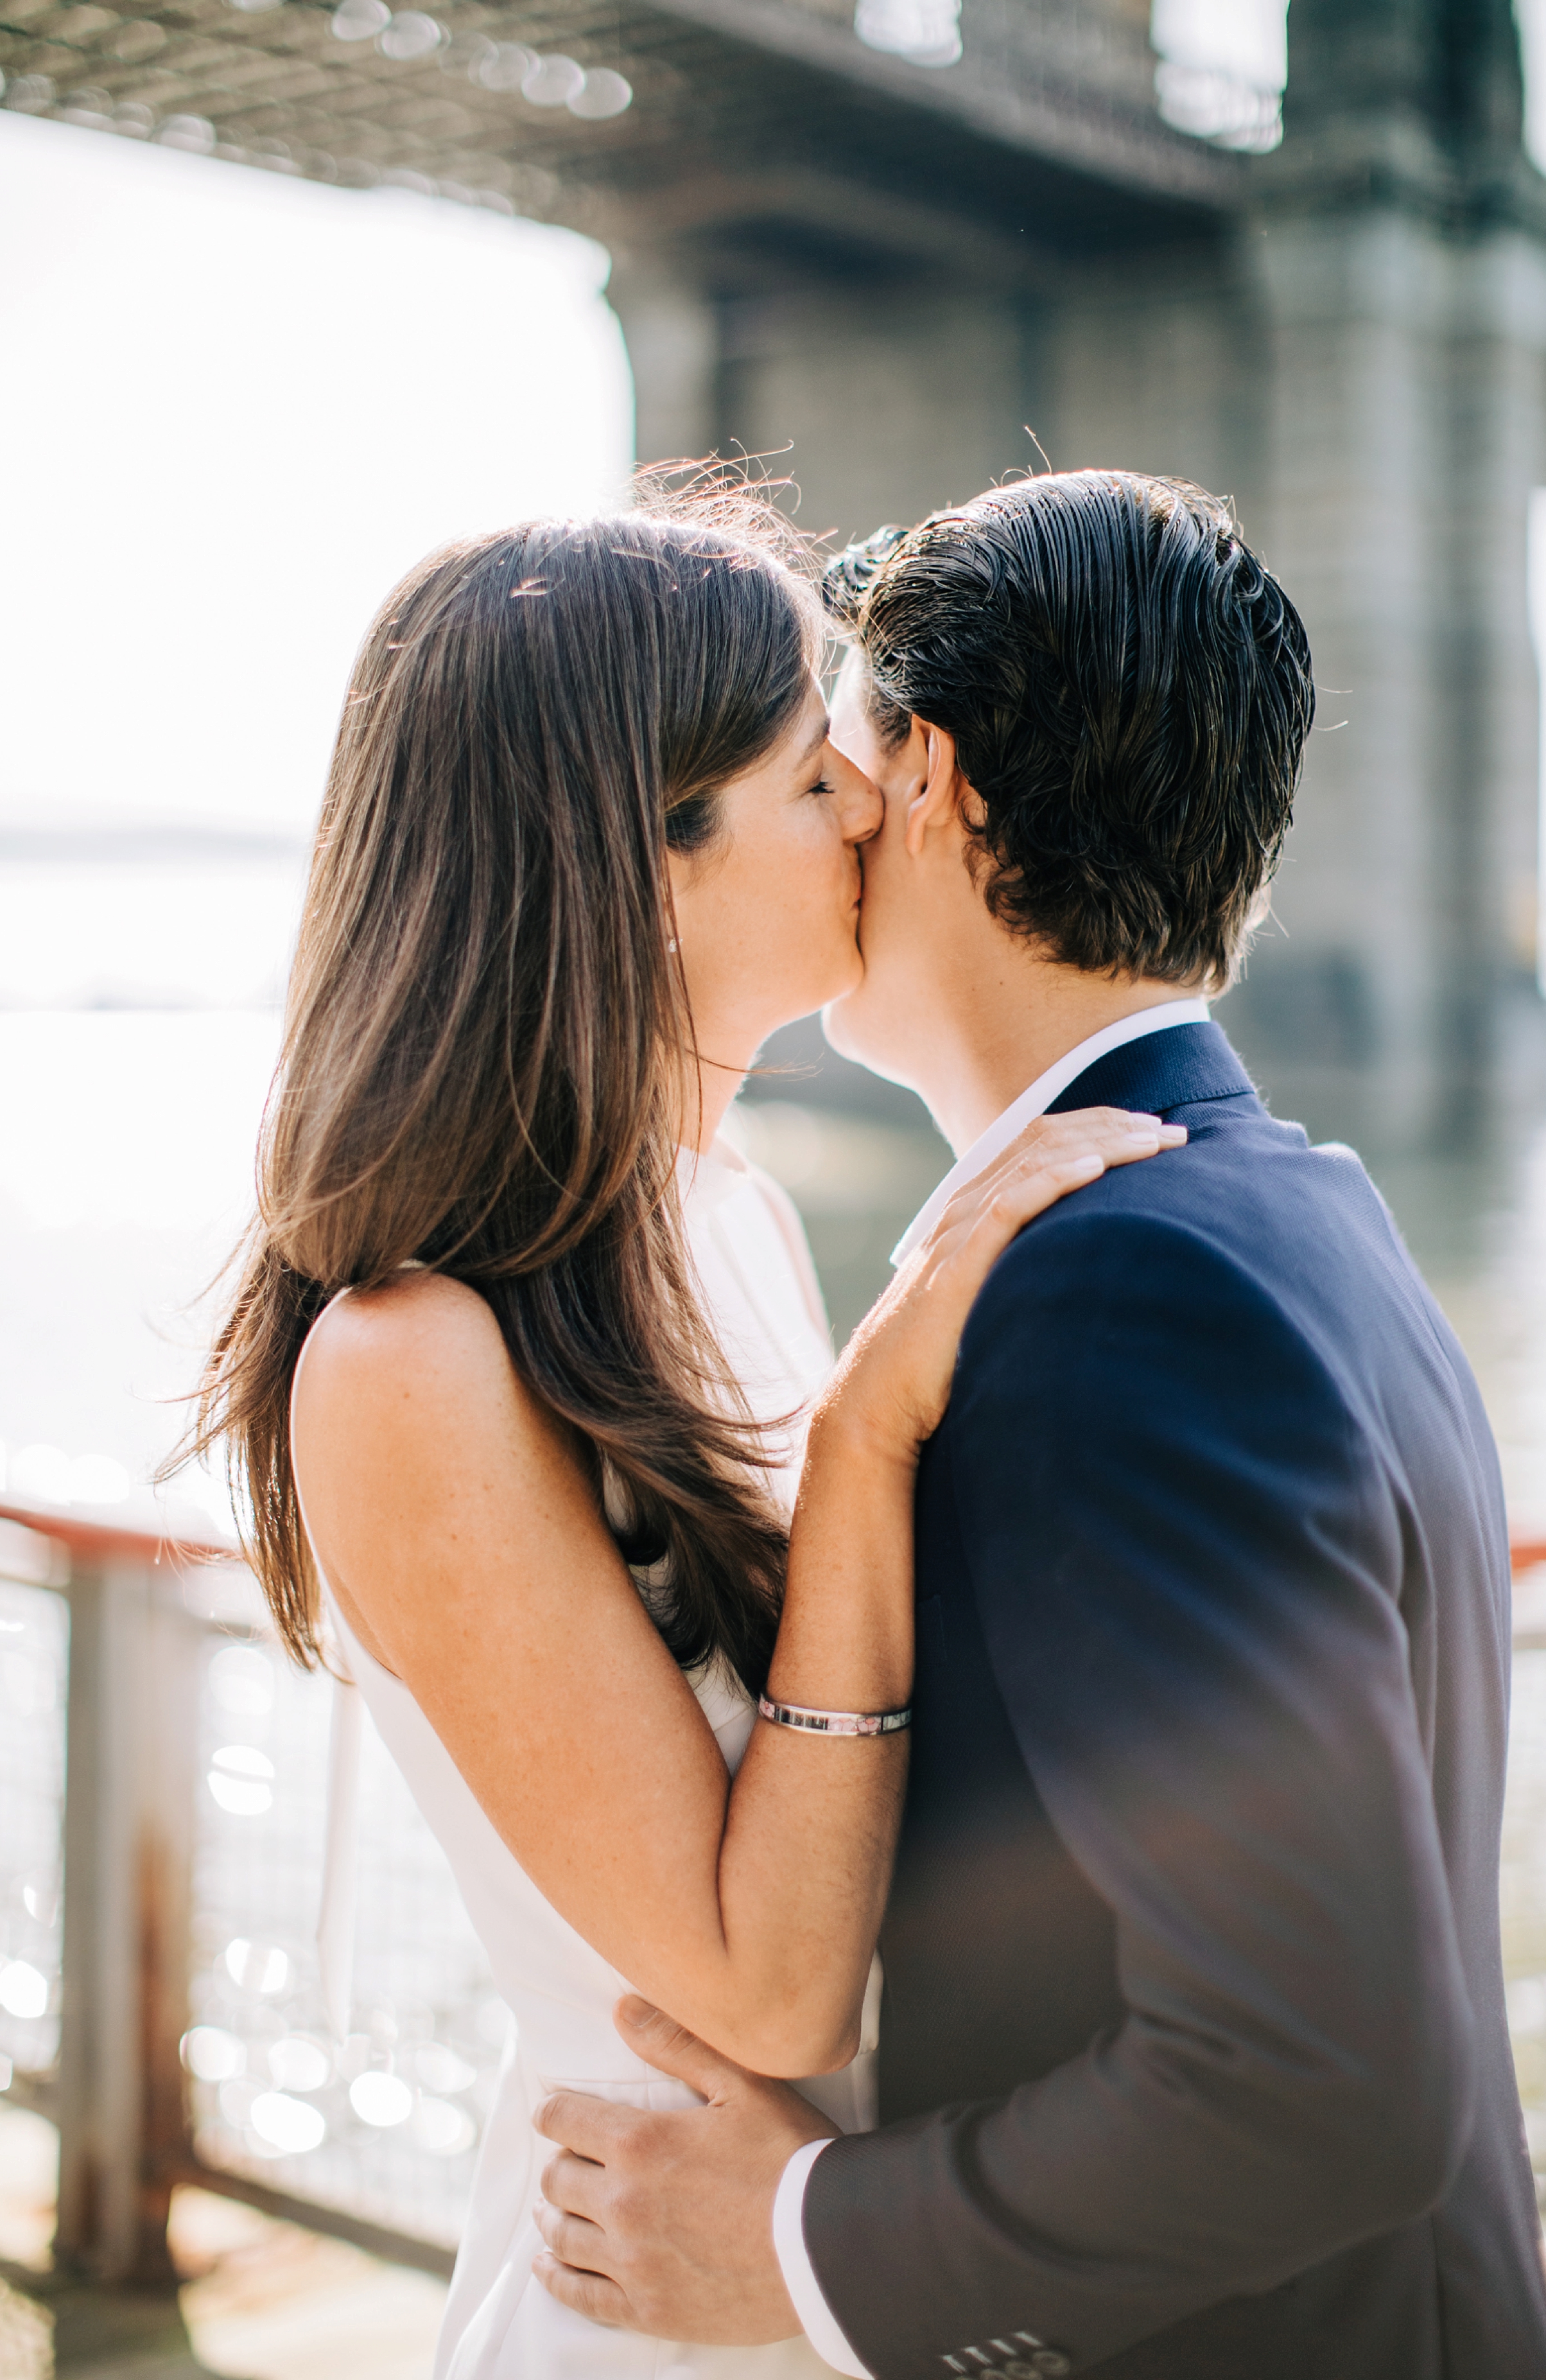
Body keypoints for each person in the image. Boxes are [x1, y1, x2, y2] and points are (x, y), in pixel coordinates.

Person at [532, 473, 1546, 2379]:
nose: (820, 812)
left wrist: (804, 2242)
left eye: (833, 749)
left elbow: (1326, 2076)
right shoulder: (1305, 1209)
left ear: (937, 778)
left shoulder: (1115, 1291)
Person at [179, 487, 1181, 2380]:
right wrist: (879, 1416)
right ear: (647, 856)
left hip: (826, 2272)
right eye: (813, 772)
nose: (875, 800)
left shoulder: (733, 1221)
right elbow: (765, 1980)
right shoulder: (411, 1362)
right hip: (664, 2314)